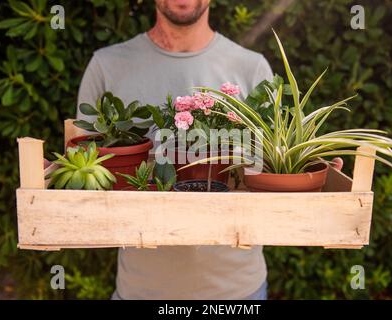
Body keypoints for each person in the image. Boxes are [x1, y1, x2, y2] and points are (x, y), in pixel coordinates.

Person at [77, 0, 342, 299]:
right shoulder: (107, 66)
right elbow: (84, 169)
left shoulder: (251, 67)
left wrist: (310, 172)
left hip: (238, 292)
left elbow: (276, 168)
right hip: (140, 290)